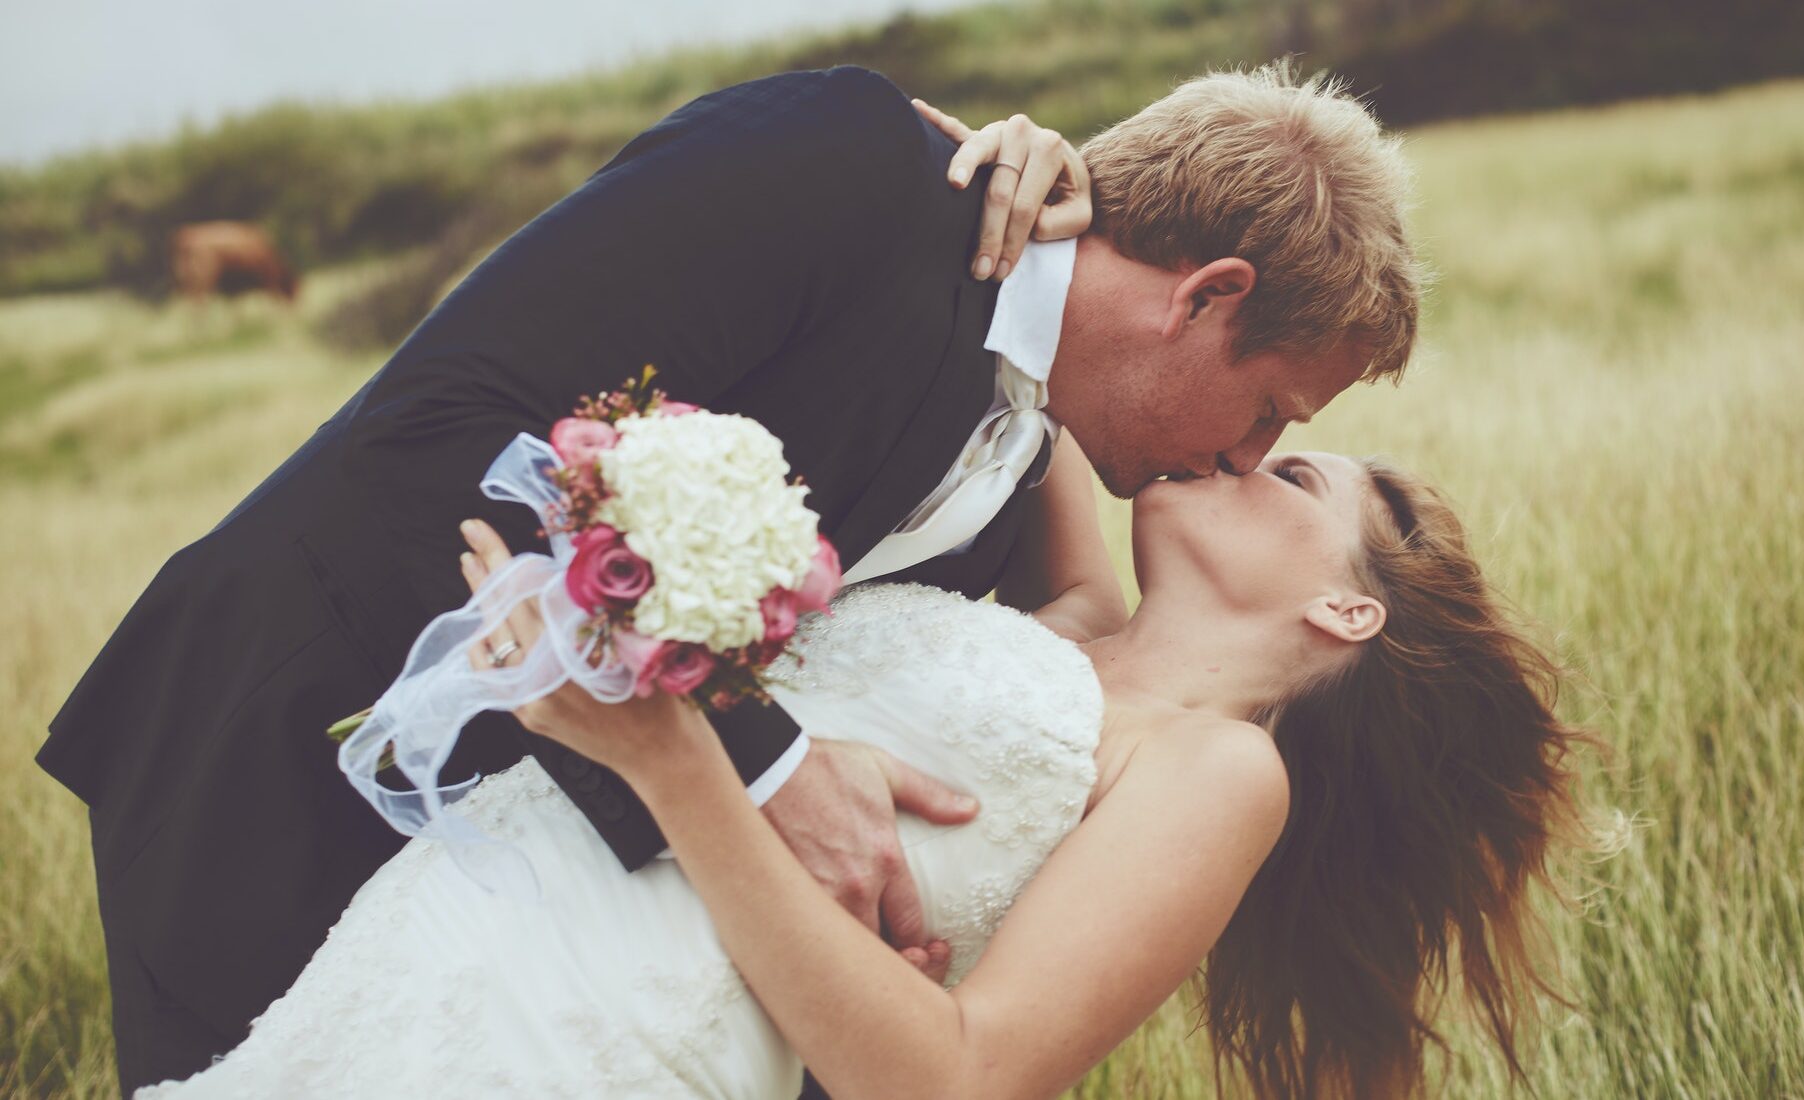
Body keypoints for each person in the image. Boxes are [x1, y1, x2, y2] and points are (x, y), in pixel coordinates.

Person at [41, 60, 1420, 1094]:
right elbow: (448, 437)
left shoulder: (1019, 494)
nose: (1244, 455)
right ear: (1207, 297)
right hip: (293, 751)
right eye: (1273, 413)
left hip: (562, 946)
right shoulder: (852, 172)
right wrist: (762, 762)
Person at [138, 451, 1595, 1098]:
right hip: (446, 942)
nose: (1246, 451)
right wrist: (1028, 154)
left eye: (1296, 478)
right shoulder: (1075, 626)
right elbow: (1042, 369)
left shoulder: (1219, 772)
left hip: (611, 1052)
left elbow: (957, 1084)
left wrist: (675, 760)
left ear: (1347, 609)